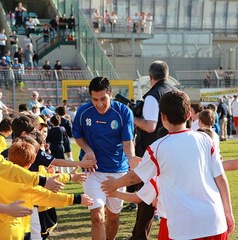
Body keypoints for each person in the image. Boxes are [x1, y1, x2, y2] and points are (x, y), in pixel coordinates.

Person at [102, 90, 235, 240]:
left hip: (182, 228)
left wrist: (113, 184)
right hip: (214, 222)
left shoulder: (157, 148)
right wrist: (228, 213)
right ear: (189, 115)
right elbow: (221, 179)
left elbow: (133, 178)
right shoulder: (206, 139)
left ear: (162, 117)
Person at [72, 76, 135, 240]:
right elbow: (78, 136)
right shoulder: (83, 112)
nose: (99, 104)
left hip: (117, 171)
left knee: (113, 217)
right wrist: (87, 150)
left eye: (103, 99)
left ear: (111, 94)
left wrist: (132, 160)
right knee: (97, 217)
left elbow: (127, 142)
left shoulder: (123, 112)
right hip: (92, 171)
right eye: (95, 99)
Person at [0, 140, 93, 240]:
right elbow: (49, 197)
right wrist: (76, 198)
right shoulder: (29, 185)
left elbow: (46, 178)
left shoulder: (2, 175)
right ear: (31, 163)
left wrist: (70, 176)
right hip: (12, 231)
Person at [124, 61, 177, 240]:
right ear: (167, 74)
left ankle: (138, 237)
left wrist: (132, 117)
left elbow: (150, 126)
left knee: (146, 198)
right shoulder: (176, 92)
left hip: (154, 150)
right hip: (175, 148)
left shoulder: (153, 96)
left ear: (150, 76)